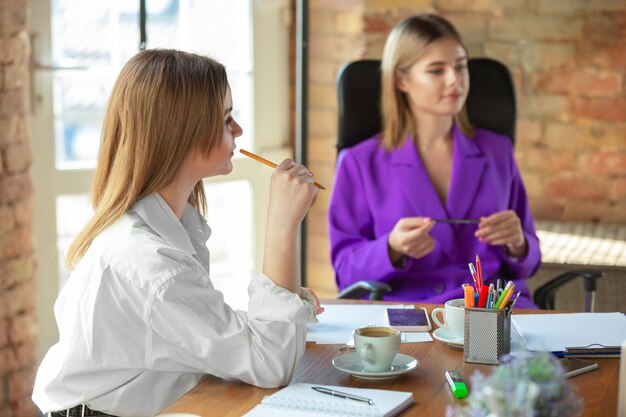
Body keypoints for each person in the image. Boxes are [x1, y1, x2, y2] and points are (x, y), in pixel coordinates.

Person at [33, 49, 322, 417]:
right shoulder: (151, 262)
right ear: (181, 134)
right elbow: (272, 365)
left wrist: (283, 300)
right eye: (226, 119)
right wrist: (282, 227)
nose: (238, 131)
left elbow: (212, 336)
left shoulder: (170, 224)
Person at [328, 14, 540, 308]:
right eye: (437, 70)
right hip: (411, 316)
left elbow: (529, 263)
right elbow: (345, 274)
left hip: (494, 313)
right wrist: (390, 248)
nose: (455, 80)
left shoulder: (498, 151)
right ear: (401, 80)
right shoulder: (359, 163)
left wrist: (519, 244)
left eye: (460, 67)